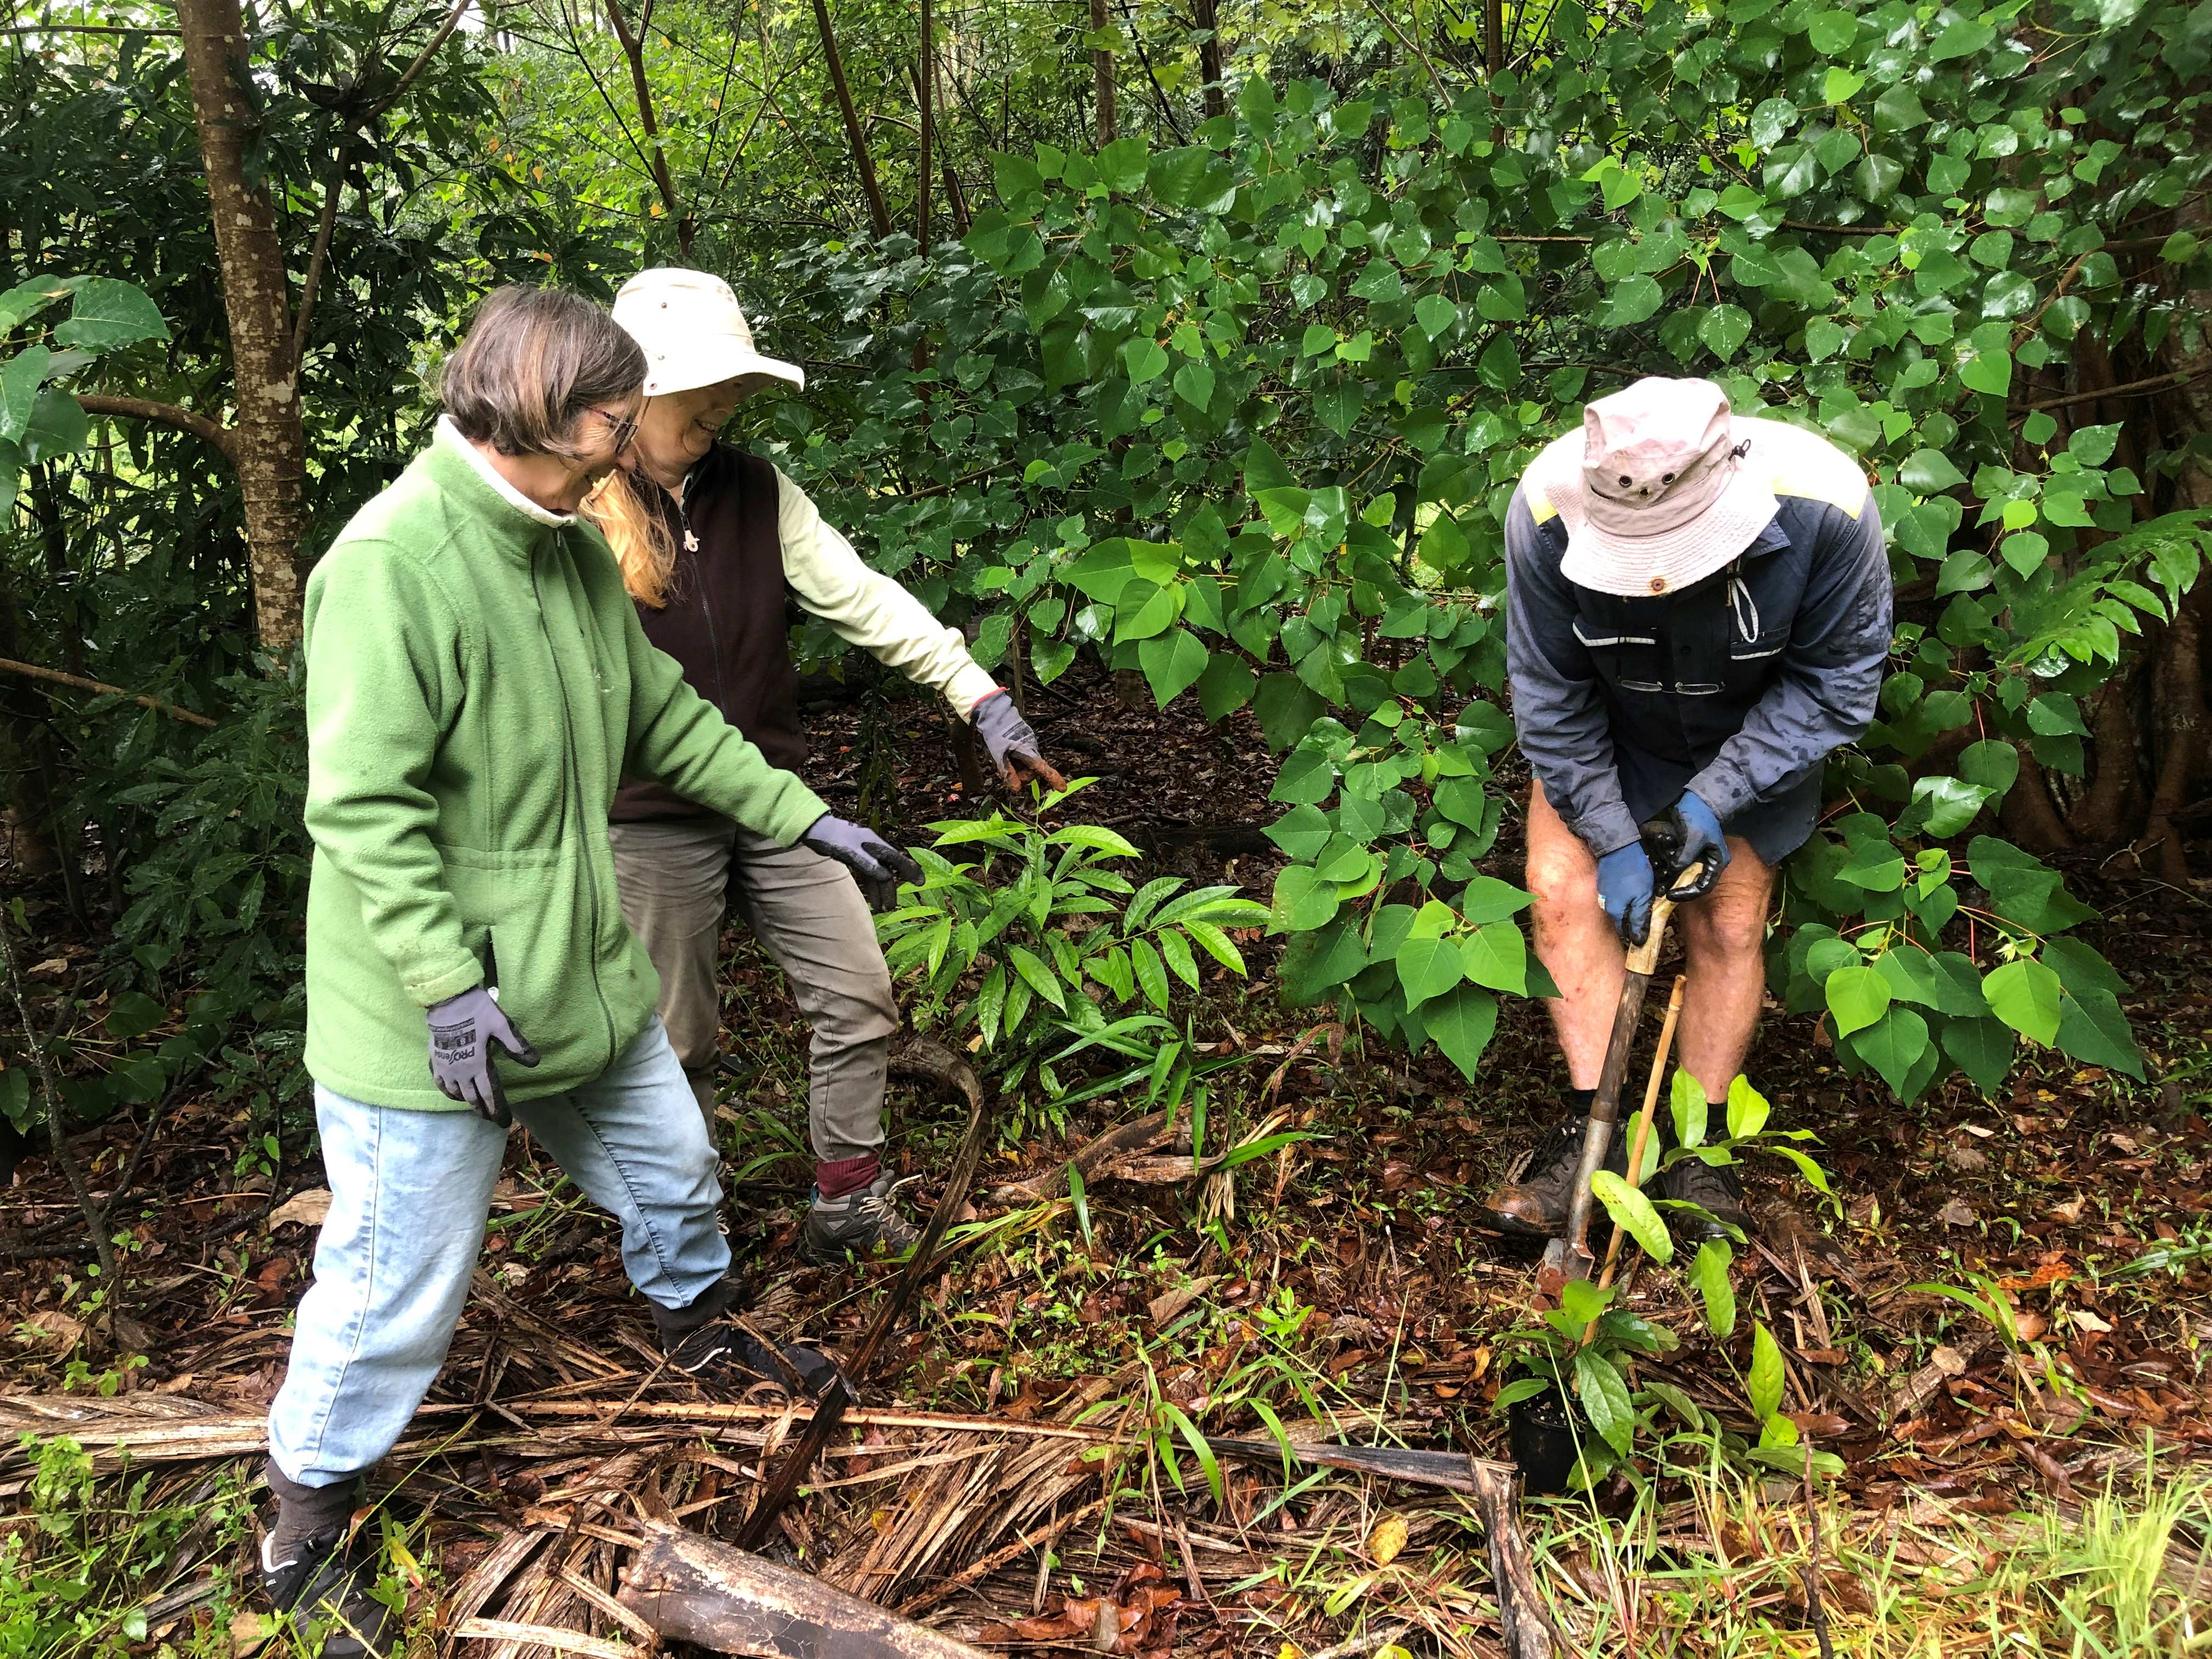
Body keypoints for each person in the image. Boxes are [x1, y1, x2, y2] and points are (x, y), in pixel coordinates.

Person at [259, 287, 919, 1658]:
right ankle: (305, 1517)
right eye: (619, 421)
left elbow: (661, 714)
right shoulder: (392, 562)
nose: (637, 448)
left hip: (576, 974)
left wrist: (803, 816)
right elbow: (361, 812)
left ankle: (699, 1324)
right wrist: (446, 985)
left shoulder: (564, 544)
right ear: (544, 419)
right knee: (396, 1282)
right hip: (430, 1017)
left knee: (676, 1169)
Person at [582, 268, 1062, 1266]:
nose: (722, 411)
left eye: (730, 394)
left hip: (776, 799)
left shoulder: (754, 491)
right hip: (647, 814)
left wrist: (982, 697)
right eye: (701, 396)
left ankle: (846, 1202)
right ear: (635, 393)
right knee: (675, 1043)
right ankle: (681, 1237)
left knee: (858, 992)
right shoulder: (575, 513)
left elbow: (863, 595)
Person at [1479, 376, 1891, 1242]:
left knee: (1729, 922)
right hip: (1612, 727)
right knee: (1560, 892)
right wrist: (1612, 836)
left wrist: (1716, 798)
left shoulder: (1829, 507)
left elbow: (1835, 685)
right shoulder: (1544, 511)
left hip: (1755, 731)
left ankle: (1697, 1153)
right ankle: (1592, 1132)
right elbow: (1551, 697)